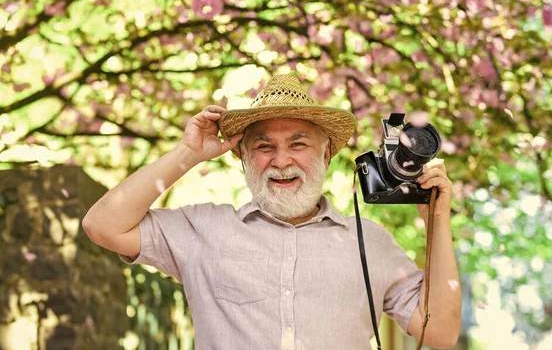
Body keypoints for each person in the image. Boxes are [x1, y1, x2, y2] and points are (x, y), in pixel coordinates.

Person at [82, 74, 461, 350]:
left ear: (326, 154)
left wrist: (437, 220)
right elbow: (102, 225)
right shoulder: (202, 228)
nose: (281, 161)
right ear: (243, 157)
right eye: (263, 147)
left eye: (298, 144)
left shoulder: (373, 244)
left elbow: (440, 332)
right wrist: (188, 154)